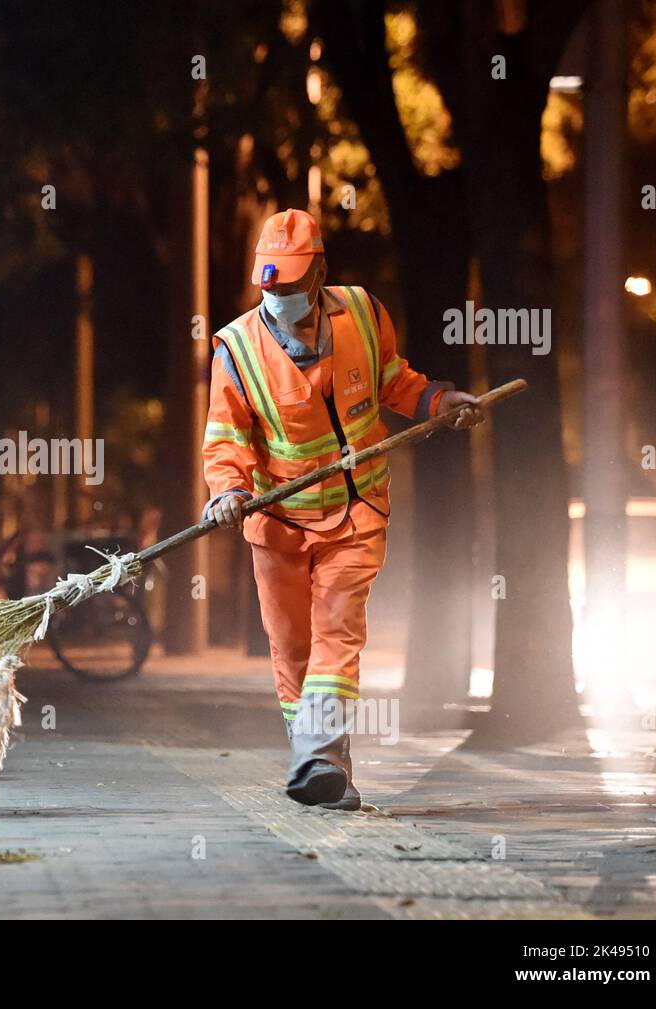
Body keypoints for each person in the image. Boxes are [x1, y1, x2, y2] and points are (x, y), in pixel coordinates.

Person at [203, 209, 483, 810]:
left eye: (288, 287)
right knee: (294, 655)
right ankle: (324, 769)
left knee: (337, 634)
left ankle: (318, 757)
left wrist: (437, 400)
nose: (277, 298)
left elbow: (392, 380)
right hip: (278, 524)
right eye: (268, 288)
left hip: (357, 513)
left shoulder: (362, 312)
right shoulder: (236, 349)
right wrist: (227, 489)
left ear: (320, 273)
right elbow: (226, 438)